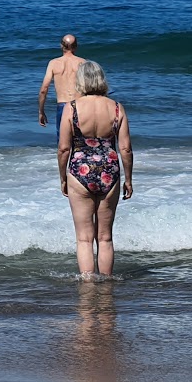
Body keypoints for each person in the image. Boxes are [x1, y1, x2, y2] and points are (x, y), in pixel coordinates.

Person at [59, 60, 133, 279]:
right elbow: (126, 148)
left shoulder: (71, 108)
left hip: (79, 171)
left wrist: (63, 177)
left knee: (84, 238)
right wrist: (128, 179)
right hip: (109, 170)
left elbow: (64, 148)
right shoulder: (117, 108)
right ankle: (107, 283)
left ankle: (88, 284)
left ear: (80, 81)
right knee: (105, 237)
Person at [39, 34, 86, 138]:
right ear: (76, 47)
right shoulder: (83, 62)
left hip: (62, 106)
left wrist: (41, 111)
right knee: (81, 143)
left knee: (63, 145)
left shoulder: (53, 63)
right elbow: (90, 88)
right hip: (80, 106)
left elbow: (44, 89)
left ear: (61, 46)